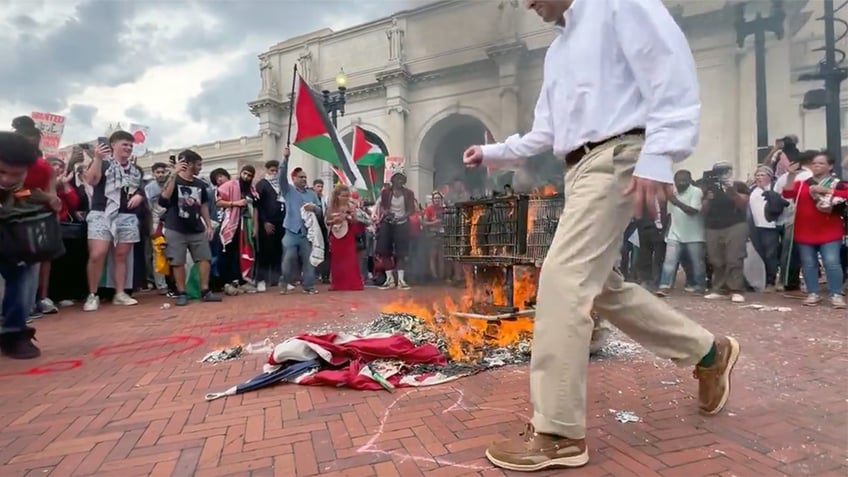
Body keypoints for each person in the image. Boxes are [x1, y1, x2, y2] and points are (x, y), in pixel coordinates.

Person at [462, 0, 739, 471]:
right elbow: (545, 132)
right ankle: (708, 352)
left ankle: (558, 433)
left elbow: (669, 69)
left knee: (564, 280)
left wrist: (659, 155)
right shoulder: (556, 51)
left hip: (619, 157)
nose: (526, 4)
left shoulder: (618, 2)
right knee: (599, 286)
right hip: (580, 170)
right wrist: (493, 152)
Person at [82, 130, 145, 311]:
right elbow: (92, 181)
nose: (128, 148)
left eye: (130, 145)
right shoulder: (103, 163)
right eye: (124, 144)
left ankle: (120, 293)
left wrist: (140, 196)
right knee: (97, 254)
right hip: (102, 212)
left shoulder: (135, 170)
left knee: (121, 256)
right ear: (113, 146)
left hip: (127, 215)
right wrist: (97, 159)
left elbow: (141, 188)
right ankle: (93, 294)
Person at [0, 132, 50, 358]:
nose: (7, 180)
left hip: (12, 236)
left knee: (26, 269)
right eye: (1, 172)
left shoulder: (38, 172)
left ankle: (14, 332)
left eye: (16, 175)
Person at [781, 151, 847, 308]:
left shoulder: (837, 183)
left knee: (832, 262)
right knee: (808, 263)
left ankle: (836, 294)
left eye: (821, 163)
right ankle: (813, 293)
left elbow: (845, 194)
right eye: (814, 163)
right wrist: (791, 175)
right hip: (804, 230)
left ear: (830, 166)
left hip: (829, 230)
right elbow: (787, 192)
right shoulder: (803, 183)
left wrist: (827, 191)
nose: (816, 165)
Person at [158, 150, 222, 306]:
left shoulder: (200, 184)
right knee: (177, 261)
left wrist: (208, 225)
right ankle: (181, 292)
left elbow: (204, 206)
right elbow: (164, 198)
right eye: (198, 164)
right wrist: (174, 174)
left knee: (204, 258)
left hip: (196, 228)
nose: (200, 168)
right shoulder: (174, 180)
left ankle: (205, 290)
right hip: (175, 227)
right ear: (190, 164)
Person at [701, 162, 750, 303]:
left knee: (734, 258)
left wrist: (731, 190)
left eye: (725, 171)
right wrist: (707, 199)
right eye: (719, 171)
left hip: (735, 225)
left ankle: (736, 290)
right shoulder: (709, 186)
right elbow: (703, 211)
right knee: (716, 259)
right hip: (713, 226)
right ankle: (720, 289)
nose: (722, 174)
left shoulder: (738, 185)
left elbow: (742, 204)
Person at [277, 147, 322, 295]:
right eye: (300, 177)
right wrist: (286, 158)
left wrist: (313, 208)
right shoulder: (288, 190)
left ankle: (308, 286)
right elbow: (281, 176)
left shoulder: (312, 194)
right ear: (294, 179)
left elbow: (321, 211)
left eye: (304, 177)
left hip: (307, 233)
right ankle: (284, 282)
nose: (303, 179)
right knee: (288, 259)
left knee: (309, 260)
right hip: (291, 231)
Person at [325, 185, 365, 291]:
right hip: (336, 235)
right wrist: (335, 220)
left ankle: (352, 282)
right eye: (343, 196)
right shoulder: (331, 207)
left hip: (348, 234)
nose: (346, 198)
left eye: (347, 196)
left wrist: (348, 217)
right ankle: (337, 283)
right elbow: (327, 221)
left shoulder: (351, 206)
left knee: (350, 258)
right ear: (337, 196)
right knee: (337, 259)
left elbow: (355, 220)